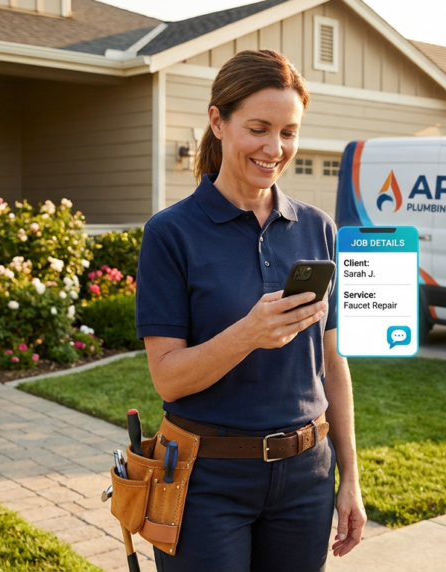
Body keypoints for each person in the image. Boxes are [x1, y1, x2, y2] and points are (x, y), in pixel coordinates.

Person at [135, 49, 366, 572]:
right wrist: (249, 333)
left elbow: (333, 365)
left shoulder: (317, 229)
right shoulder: (171, 234)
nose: (275, 148)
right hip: (204, 482)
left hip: (307, 477)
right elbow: (168, 380)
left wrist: (348, 477)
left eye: (288, 132)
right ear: (218, 121)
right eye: (259, 128)